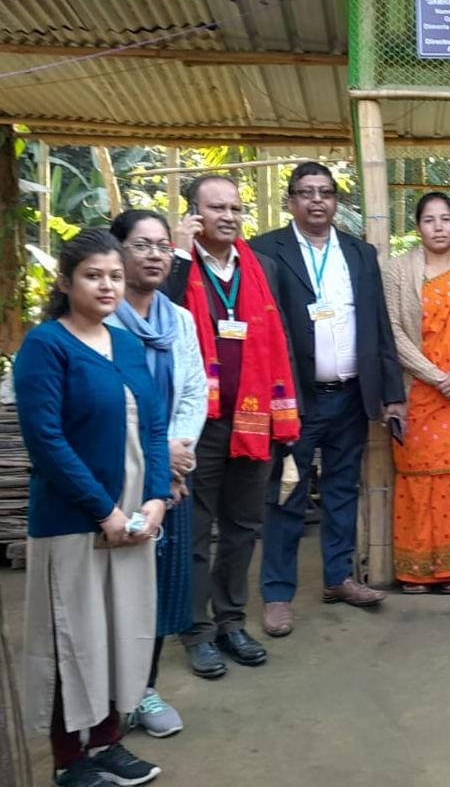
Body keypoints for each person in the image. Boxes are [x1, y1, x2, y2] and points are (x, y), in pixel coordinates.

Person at [15, 229, 170, 787]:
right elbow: (46, 441)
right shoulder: (45, 346)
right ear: (65, 282)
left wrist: (154, 499)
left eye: (113, 276)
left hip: (133, 519)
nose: (107, 286)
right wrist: (103, 511)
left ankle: (107, 742)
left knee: (119, 631)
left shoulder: (127, 345)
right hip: (73, 521)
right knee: (71, 637)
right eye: (92, 275)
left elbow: (153, 426)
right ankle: (67, 759)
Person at [250, 162, 407, 636]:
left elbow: (379, 326)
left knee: (341, 491)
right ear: (290, 200)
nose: (317, 201)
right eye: (306, 193)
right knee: (287, 496)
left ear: (337, 201)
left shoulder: (359, 254)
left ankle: (338, 578)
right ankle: (277, 595)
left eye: (325, 193)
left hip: (351, 396)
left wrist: (393, 395)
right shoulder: (265, 252)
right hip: (295, 400)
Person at [174, 175, 300, 678]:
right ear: (193, 215)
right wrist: (180, 256)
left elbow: (280, 342)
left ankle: (231, 622)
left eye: (235, 207)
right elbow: (159, 320)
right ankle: (196, 631)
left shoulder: (261, 267)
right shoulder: (178, 266)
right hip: (197, 423)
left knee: (244, 527)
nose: (227, 216)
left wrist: (285, 420)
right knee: (197, 531)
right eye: (215, 207)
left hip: (252, 420)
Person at [107, 211, 207, 738]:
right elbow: (110, 404)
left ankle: (143, 690)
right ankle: (106, 697)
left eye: (162, 246)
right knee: (116, 587)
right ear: (117, 250)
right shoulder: (103, 320)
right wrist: (158, 456)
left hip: (173, 474)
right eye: (140, 244)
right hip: (119, 473)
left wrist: (178, 449)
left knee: (160, 586)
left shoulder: (180, 320)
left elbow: (194, 389)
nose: (153, 255)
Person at [383, 192, 450, 593]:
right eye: (430, 220)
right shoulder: (396, 272)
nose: (439, 227)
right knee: (417, 477)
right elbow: (392, 330)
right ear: (417, 227)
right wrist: (432, 373)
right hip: (418, 393)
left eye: (446, 219)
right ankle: (417, 569)